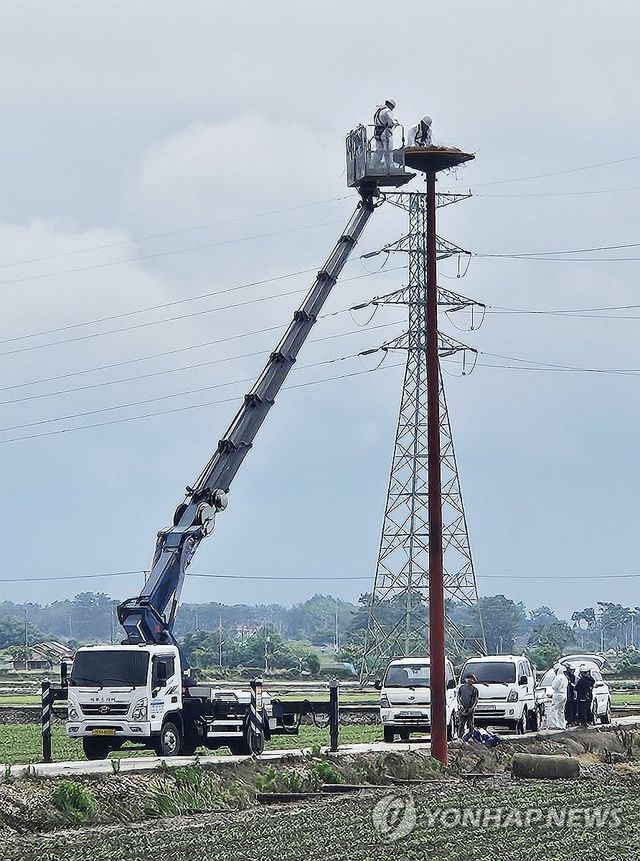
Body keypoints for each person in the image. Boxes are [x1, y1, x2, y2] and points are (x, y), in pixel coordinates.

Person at [371, 98, 398, 172]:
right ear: (390, 105)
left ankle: (372, 166)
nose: (392, 109)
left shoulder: (379, 111)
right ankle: (390, 167)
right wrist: (396, 122)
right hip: (385, 133)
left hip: (377, 132)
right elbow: (391, 123)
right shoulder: (387, 111)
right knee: (388, 150)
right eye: (392, 107)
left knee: (379, 151)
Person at [457, 673, 480, 738]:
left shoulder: (474, 690)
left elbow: (476, 700)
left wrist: (472, 708)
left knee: (470, 724)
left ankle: (471, 736)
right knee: (461, 724)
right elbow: (458, 697)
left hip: (470, 710)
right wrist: (460, 705)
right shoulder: (461, 688)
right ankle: (460, 736)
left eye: (472, 679)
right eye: (469, 679)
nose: (470, 680)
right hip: (462, 709)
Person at [546, 665, 568, 729]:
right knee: (561, 710)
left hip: (558, 694)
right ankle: (562, 724)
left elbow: (554, 687)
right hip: (564, 694)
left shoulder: (558, 678)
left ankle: (554, 725)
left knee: (553, 709)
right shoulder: (564, 677)